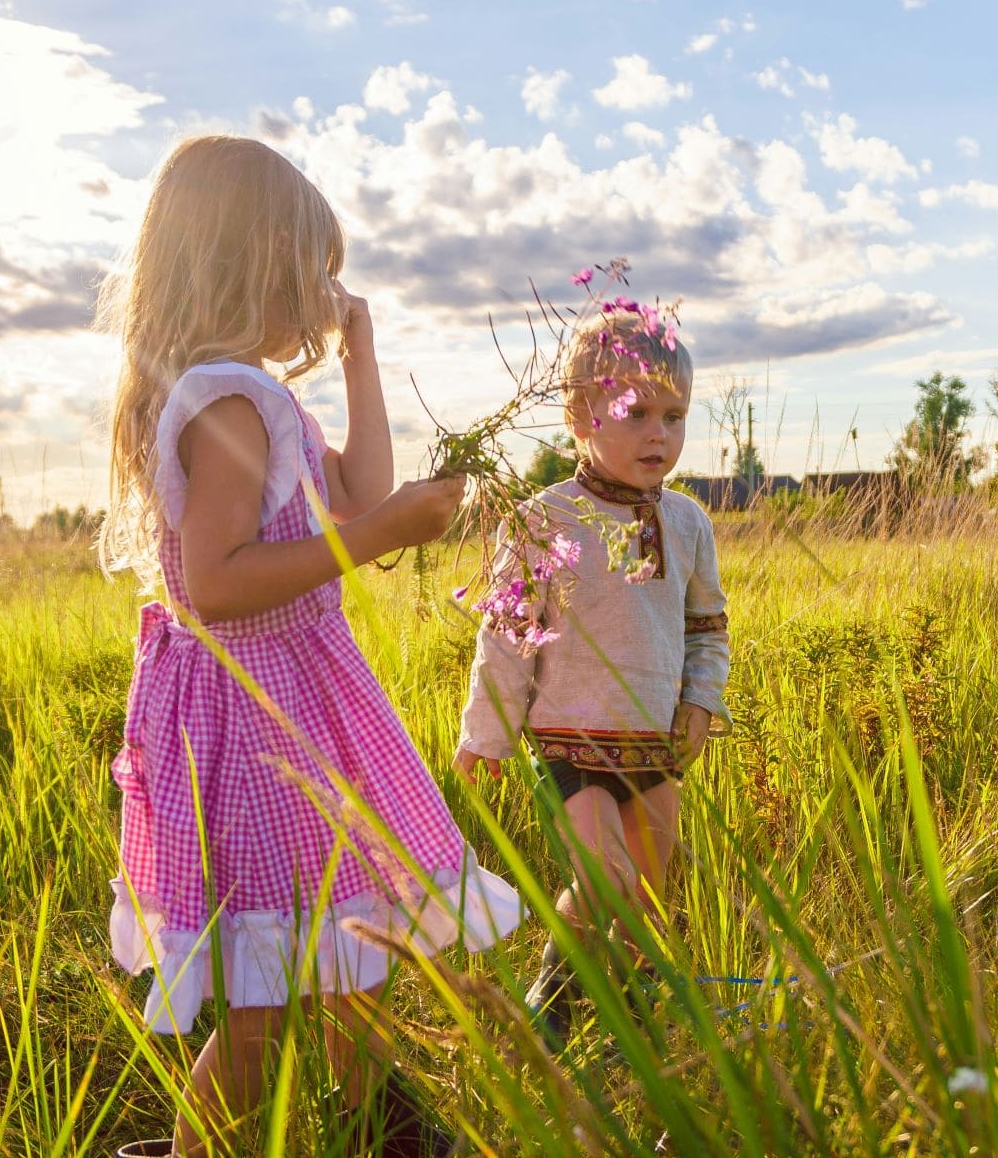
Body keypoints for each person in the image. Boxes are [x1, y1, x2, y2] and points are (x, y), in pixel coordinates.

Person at [98, 135, 521, 1157]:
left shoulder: (255, 392)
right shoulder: (227, 399)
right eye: (314, 265)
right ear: (254, 262)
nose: (329, 289)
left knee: (349, 963)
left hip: (290, 701)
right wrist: (378, 541)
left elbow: (360, 492)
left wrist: (361, 361)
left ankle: (389, 1131)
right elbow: (215, 584)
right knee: (264, 1012)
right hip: (256, 719)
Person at [452, 305, 730, 1045]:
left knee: (643, 895)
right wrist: (487, 733)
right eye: (636, 412)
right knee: (603, 878)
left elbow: (707, 627)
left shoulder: (690, 523)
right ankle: (561, 1010)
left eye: (675, 416)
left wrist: (701, 703)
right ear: (579, 415)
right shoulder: (544, 518)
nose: (659, 435)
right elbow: (508, 634)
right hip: (568, 739)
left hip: (656, 746)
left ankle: (616, 1026)